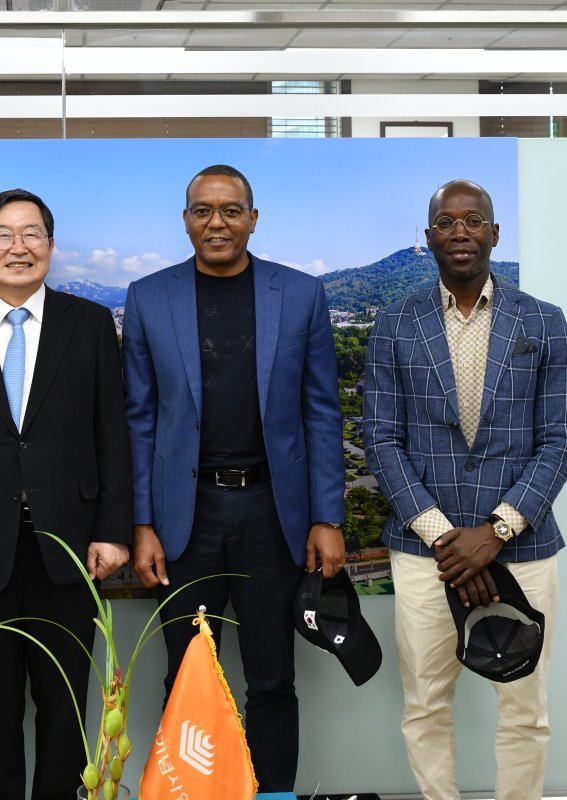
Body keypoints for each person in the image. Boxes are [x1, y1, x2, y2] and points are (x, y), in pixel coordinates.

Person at [122, 165, 346, 793]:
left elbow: (321, 413)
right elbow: (137, 419)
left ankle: (272, 793)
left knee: (273, 677)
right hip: (183, 516)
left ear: (253, 216)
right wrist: (141, 523)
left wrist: (328, 517)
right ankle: (194, 792)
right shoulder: (148, 296)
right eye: (201, 210)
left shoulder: (299, 295)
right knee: (186, 671)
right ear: (185, 219)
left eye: (229, 209)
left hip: (272, 516)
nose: (215, 222)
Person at [363, 179, 567, 800]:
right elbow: (381, 440)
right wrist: (447, 541)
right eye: (447, 222)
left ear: (494, 233)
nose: (460, 231)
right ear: (428, 236)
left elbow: (561, 441)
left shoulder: (544, 321)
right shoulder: (394, 324)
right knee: (426, 705)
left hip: (522, 549)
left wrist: (498, 531)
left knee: (524, 710)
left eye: (473, 220)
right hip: (426, 554)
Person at [0, 189, 132, 800]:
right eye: (4, 236)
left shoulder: (88, 325)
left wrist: (113, 529)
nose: (19, 247)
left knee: (67, 717)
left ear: (52, 247)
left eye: (32, 233)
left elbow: (112, 436)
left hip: (69, 553)